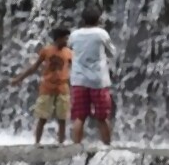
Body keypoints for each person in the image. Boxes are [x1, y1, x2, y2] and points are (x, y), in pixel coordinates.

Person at [10, 27, 73, 145]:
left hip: (63, 88)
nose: (67, 41)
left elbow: (76, 69)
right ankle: (37, 142)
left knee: (62, 118)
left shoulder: (69, 53)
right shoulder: (46, 51)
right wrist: (19, 78)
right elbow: (34, 67)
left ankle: (61, 143)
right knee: (42, 117)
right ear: (58, 39)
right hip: (47, 88)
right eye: (65, 38)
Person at [68, 9, 116, 145]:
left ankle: (75, 148)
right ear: (99, 20)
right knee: (102, 116)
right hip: (98, 80)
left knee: (79, 116)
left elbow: (70, 49)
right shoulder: (101, 34)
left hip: (78, 80)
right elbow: (112, 52)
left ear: (83, 20)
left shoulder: (74, 35)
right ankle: (107, 147)